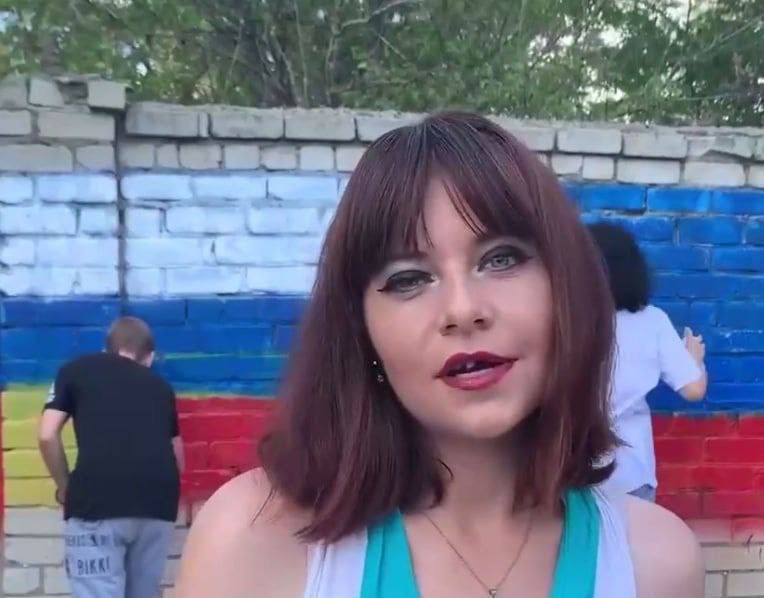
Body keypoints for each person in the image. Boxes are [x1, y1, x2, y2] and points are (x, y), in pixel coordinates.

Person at [176, 112, 704, 598]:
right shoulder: (253, 542)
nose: (463, 309)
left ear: (568, 287)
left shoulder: (656, 563)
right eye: (408, 279)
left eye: (501, 259)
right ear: (361, 329)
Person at [38, 316, 184, 598]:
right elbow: (179, 458)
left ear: (106, 349)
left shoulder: (75, 371)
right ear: (149, 357)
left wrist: (66, 488)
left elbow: (47, 435)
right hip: (158, 504)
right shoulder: (162, 388)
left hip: (97, 499)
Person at [588, 222, 707, 502]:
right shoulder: (653, 321)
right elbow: (694, 390)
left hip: (573, 474)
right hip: (632, 474)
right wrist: (695, 360)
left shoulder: (563, 322)